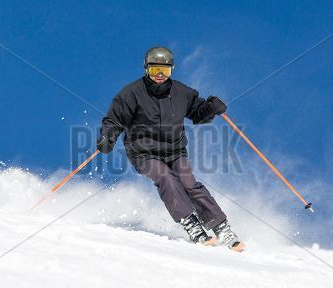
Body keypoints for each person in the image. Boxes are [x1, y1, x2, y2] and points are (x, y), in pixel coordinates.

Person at [97, 47, 245, 252]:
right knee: (165, 177)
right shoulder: (131, 94)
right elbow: (114, 119)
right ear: (146, 69)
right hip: (143, 152)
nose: (159, 75)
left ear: (171, 71)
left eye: (164, 71)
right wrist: (108, 136)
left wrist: (211, 108)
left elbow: (197, 112)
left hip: (175, 150)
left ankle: (221, 228)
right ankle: (191, 223)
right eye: (155, 70)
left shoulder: (181, 92)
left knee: (189, 184)